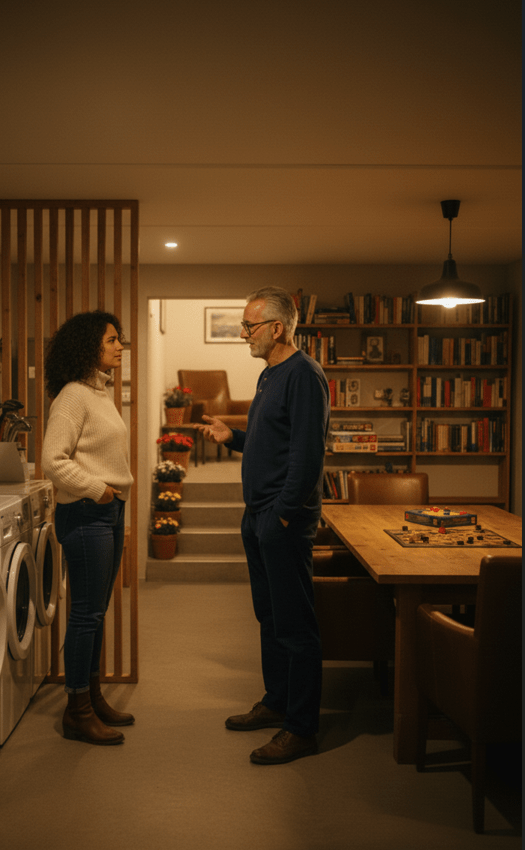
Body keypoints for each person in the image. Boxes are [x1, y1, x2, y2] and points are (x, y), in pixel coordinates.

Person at [195, 287, 330, 765]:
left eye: (249, 326)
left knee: (295, 626)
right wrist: (233, 437)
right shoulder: (271, 374)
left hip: (282, 519)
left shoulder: (304, 375)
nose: (243, 334)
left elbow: (307, 456)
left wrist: (283, 514)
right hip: (259, 515)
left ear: (277, 328)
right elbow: (272, 442)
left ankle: (301, 728)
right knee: (270, 618)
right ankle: (276, 702)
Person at [42, 310, 135, 745]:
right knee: (86, 614)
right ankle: (76, 710)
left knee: (94, 612)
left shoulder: (100, 393)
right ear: (89, 347)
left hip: (107, 512)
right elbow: (53, 461)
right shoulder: (73, 396)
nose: (120, 346)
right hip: (86, 513)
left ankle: (92, 696)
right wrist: (98, 490)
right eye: (112, 340)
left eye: (119, 340)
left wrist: (110, 498)